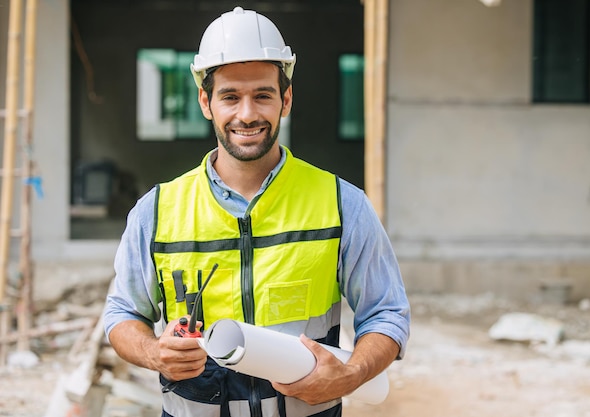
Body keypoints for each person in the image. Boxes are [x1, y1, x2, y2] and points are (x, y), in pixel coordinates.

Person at [103, 6, 410, 417]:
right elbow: (123, 313)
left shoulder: (341, 204)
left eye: (262, 95)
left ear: (285, 99)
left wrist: (351, 373)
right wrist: (154, 352)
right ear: (206, 102)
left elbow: (387, 312)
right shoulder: (156, 212)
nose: (246, 114)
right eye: (230, 96)